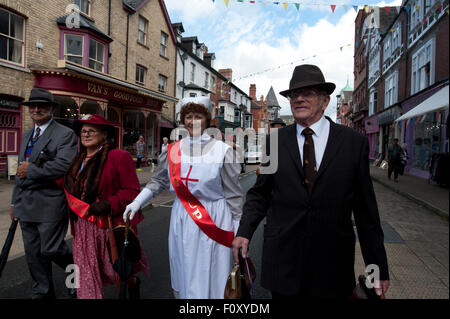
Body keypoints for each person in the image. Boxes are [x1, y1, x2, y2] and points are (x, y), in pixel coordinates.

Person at [232, 64, 390, 299]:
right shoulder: (276, 142)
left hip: (332, 267)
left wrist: (377, 267)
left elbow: (366, 211)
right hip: (283, 263)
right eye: (294, 94)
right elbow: (260, 193)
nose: (299, 99)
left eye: (308, 93)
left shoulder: (352, 143)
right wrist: (244, 231)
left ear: (325, 101)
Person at [123, 96, 243, 299]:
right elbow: (158, 181)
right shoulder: (172, 150)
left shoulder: (223, 151)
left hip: (215, 219)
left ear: (207, 119)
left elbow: (234, 196)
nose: (192, 121)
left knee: (213, 272)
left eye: (198, 116)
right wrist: (137, 201)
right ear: (182, 119)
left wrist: (239, 232)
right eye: (188, 116)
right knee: (185, 266)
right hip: (183, 218)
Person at [63, 114, 148, 299]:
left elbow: (132, 191)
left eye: (91, 131)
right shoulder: (78, 160)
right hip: (83, 228)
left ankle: (133, 287)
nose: (86, 134)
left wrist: (108, 204)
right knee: (86, 275)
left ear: (104, 134)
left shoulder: (119, 156)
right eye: (83, 131)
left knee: (120, 271)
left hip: (109, 224)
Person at [9, 88, 78, 299]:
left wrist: (29, 169)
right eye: (33, 106)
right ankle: (42, 291)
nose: (36, 109)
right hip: (25, 204)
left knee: (52, 249)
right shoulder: (28, 134)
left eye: (42, 106)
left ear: (51, 108)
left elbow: (63, 166)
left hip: (51, 203)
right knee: (33, 254)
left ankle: (76, 278)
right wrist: (14, 202)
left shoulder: (65, 134)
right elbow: (20, 170)